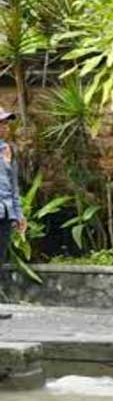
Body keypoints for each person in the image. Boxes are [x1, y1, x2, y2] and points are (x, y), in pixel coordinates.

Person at [0, 108, 25, 321]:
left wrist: (18, 214)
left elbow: (13, 186)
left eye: (6, 124)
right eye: (1, 123)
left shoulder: (8, 150)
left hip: (5, 213)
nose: (4, 127)